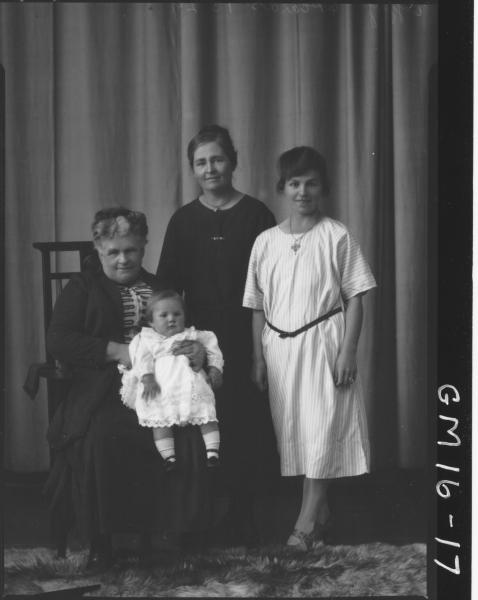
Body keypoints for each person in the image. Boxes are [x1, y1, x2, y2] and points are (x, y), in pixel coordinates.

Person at [44, 207, 208, 569]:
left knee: (184, 430)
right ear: (98, 249)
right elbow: (59, 339)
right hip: (102, 388)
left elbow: (184, 327)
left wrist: (195, 348)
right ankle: (104, 540)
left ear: (143, 247)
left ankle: (165, 535)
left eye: (130, 250)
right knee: (104, 435)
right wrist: (116, 350)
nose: (123, 259)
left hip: (163, 385)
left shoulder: (158, 285)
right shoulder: (83, 287)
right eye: (113, 252)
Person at [243, 146, 377, 551]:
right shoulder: (265, 242)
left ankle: (302, 525)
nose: (303, 191)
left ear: (324, 188)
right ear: (283, 187)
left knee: (322, 429)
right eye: (295, 183)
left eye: (312, 183)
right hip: (279, 349)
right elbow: (256, 305)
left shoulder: (337, 235)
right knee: (299, 432)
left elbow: (356, 296)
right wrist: (258, 356)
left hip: (324, 343)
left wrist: (348, 350)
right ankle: (321, 515)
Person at [156, 124, 277, 546]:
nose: (210, 169)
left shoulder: (258, 214)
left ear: (234, 162)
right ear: (193, 168)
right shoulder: (184, 220)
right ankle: (201, 518)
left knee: (244, 424)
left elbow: (271, 286)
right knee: (202, 423)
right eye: (201, 162)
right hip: (199, 343)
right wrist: (182, 346)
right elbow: (167, 291)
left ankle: (243, 517)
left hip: (248, 336)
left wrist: (261, 349)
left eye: (218, 159)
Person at [119, 289, 224, 470]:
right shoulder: (147, 339)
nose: (171, 319)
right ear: (151, 322)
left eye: (177, 314)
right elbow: (141, 359)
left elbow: (212, 345)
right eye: (164, 315)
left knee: (205, 414)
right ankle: (169, 458)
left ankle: (212, 452)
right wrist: (147, 377)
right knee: (159, 418)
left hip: (190, 385)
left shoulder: (192, 334)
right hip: (162, 387)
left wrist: (215, 368)